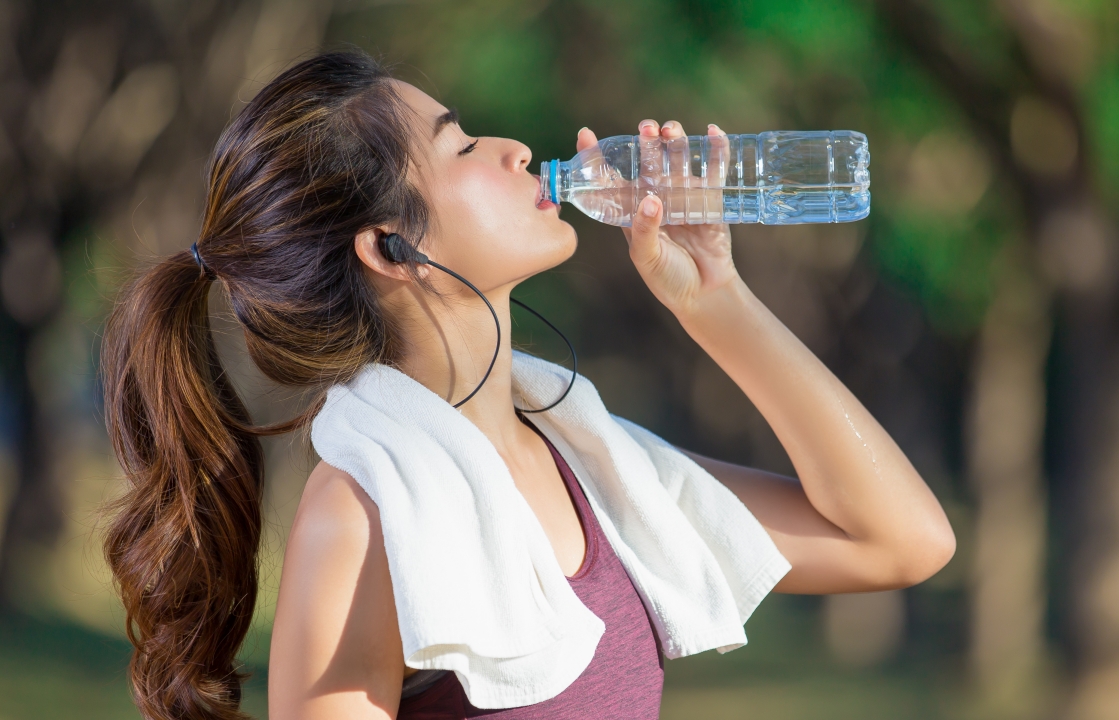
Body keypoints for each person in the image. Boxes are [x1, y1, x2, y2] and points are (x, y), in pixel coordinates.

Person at [99, 50, 955, 720]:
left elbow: (902, 540)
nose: (515, 149)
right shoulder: (363, 515)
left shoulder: (594, 467)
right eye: (462, 146)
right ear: (391, 247)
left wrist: (718, 301)